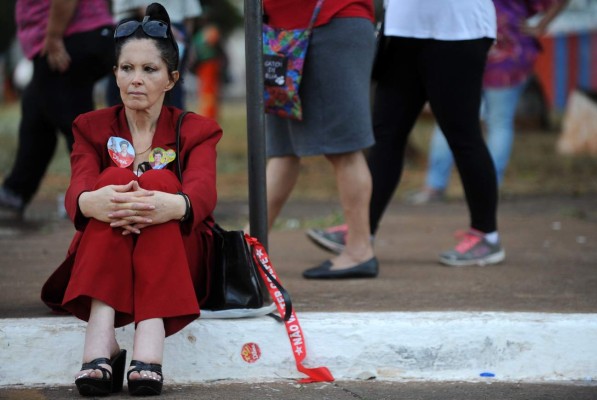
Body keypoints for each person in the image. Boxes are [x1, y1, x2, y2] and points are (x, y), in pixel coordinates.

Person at [40, 3, 222, 396]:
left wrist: (173, 205)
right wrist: (93, 202)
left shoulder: (196, 131)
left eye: (149, 70)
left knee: (158, 180)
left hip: (179, 253)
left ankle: (149, 336)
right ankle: (102, 337)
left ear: (171, 79)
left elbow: (204, 189)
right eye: (127, 69)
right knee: (114, 180)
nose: (135, 80)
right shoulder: (91, 128)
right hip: (107, 251)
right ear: (115, 75)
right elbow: (79, 186)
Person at [308, 0, 505, 267]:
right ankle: (360, 231)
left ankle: (486, 235)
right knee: (385, 135)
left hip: (458, 30)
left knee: (463, 135)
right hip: (402, 30)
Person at [409, 0, 570, 205]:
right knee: (498, 123)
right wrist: (542, 25)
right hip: (508, 52)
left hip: (466, 49)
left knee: (450, 120)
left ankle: (434, 187)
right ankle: (487, 190)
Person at [263, 0, 378, 279]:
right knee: (282, 150)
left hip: (331, 23)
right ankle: (249, 245)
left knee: (344, 148)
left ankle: (360, 249)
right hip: (282, 35)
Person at [0, 0, 114, 218]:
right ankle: (15, 192)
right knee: (37, 111)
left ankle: (96, 192)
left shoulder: (56, 36)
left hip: (68, 36)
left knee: (76, 124)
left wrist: (53, 36)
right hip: (78, 33)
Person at [106, 0, 202, 109]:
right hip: (145, 24)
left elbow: (189, 14)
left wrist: (186, 43)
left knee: (170, 87)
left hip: (148, 26)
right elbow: (190, 15)